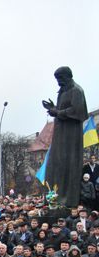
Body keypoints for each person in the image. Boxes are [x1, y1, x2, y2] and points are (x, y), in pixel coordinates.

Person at [42, 66, 88, 207]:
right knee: (55, 164)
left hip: (70, 136)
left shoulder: (76, 90)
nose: (58, 82)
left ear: (68, 76)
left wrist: (57, 112)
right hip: (60, 134)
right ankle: (54, 198)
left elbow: (78, 111)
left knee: (68, 164)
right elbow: (63, 110)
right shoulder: (63, 91)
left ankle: (67, 200)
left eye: (60, 79)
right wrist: (53, 108)